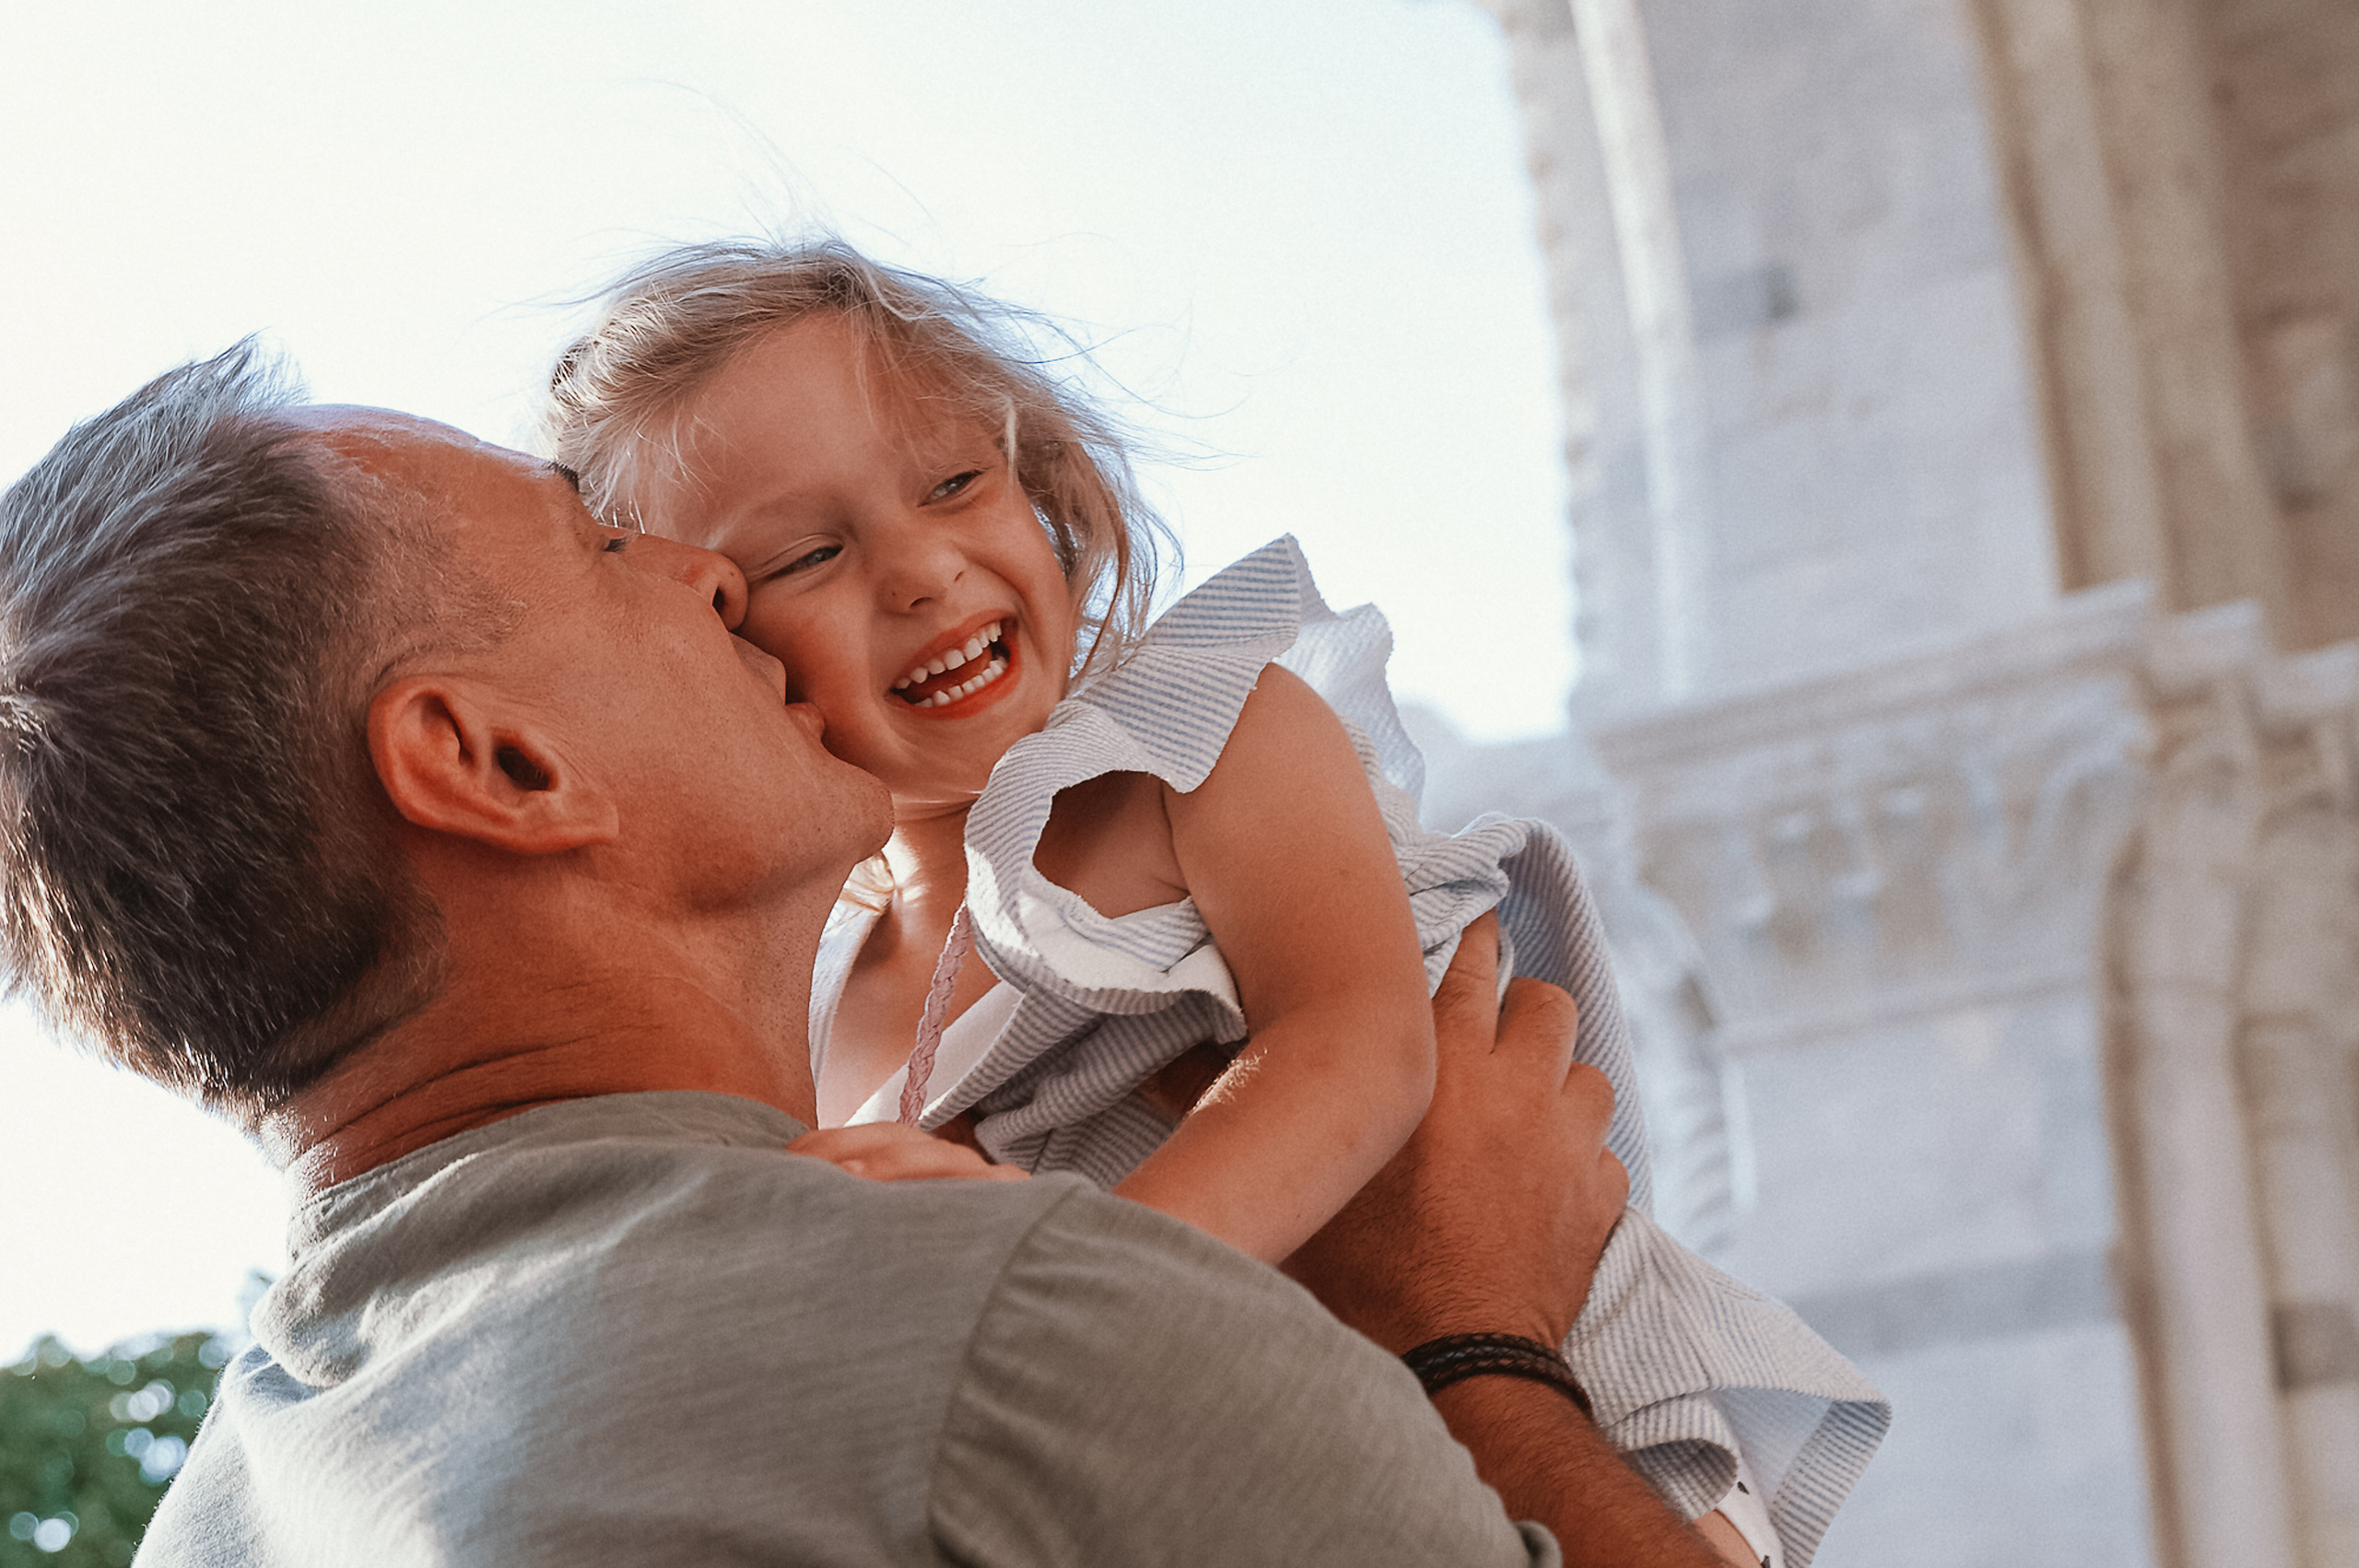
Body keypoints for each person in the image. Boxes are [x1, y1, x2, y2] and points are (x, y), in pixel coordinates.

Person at [0, 344, 1736, 1565]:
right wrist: (1472, 1330)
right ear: (499, 766)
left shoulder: (220, 1510)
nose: (712, 583)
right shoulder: (1006, 1331)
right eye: (609, 554)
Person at [540, 237, 1885, 1565]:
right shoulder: (816, 1000)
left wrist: (1055, 1288)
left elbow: (1353, 1045)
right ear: (710, 652)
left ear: (1041, 478)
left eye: (955, 480)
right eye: (807, 557)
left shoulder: (1192, 738)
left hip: (1554, 1399)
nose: (923, 568)